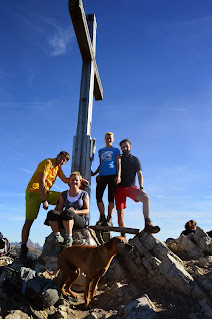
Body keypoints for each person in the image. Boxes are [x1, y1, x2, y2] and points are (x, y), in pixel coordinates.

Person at [20, 151, 70, 261]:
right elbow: (42, 182)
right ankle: (23, 249)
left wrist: (79, 179)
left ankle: (53, 219)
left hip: (45, 192)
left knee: (62, 197)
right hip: (33, 193)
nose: (61, 161)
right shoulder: (48, 162)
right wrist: (44, 200)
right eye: (61, 158)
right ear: (57, 156)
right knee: (29, 221)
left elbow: (66, 180)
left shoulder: (58, 167)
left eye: (64, 161)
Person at [115, 139, 160, 234]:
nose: (125, 148)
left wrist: (141, 188)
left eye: (126, 146)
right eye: (123, 147)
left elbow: (140, 174)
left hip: (131, 187)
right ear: (121, 148)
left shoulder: (135, 160)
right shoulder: (118, 159)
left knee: (146, 198)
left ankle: (147, 224)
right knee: (120, 213)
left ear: (130, 147)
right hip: (119, 188)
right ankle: (123, 236)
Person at [44, 171, 90, 250]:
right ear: (69, 181)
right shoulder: (64, 194)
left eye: (76, 180)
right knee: (52, 213)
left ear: (80, 182)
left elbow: (87, 210)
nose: (74, 182)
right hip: (66, 218)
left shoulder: (84, 194)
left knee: (68, 213)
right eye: (72, 180)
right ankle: (58, 237)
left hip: (78, 220)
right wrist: (59, 215)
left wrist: (75, 212)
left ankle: (69, 238)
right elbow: (60, 208)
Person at [91, 132, 121, 227]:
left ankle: (109, 219)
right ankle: (102, 217)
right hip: (102, 176)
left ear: (113, 139)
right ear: (104, 139)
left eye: (110, 138)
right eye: (107, 138)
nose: (108, 139)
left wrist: (118, 176)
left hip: (113, 175)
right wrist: (95, 173)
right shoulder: (101, 151)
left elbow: (118, 163)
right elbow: (101, 164)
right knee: (98, 196)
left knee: (110, 198)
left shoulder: (116, 150)